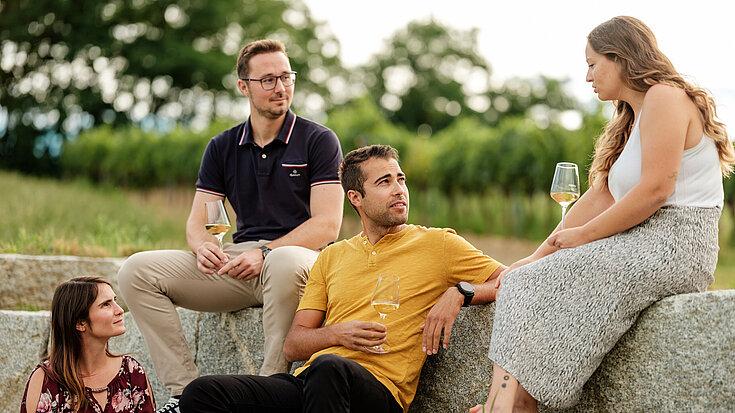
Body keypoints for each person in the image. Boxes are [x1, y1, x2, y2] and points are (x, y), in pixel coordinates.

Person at [470, 16, 735, 413]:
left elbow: (656, 190)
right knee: (524, 280)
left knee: (536, 283)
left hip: (676, 245)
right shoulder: (633, 116)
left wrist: (584, 237)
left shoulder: (665, 95)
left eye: (593, 64)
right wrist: (537, 255)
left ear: (621, 58)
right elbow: (601, 197)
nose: (588, 76)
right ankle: (509, 403)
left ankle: (503, 406)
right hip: (642, 240)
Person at [178, 144, 505, 412]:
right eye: (384, 182)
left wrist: (460, 292)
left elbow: (510, 278)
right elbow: (294, 345)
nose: (399, 190)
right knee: (203, 393)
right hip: (312, 383)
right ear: (355, 199)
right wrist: (338, 334)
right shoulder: (333, 256)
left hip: (379, 392)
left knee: (329, 369)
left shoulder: (439, 244)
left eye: (400, 179)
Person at [117, 39, 344, 413]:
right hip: (240, 264)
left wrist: (265, 251)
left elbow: (327, 226)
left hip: (300, 263)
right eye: (268, 79)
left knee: (285, 261)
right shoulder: (221, 146)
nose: (281, 87)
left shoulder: (318, 140)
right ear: (244, 86)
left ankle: (270, 392)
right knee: (136, 271)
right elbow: (198, 221)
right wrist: (201, 246)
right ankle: (185, 394)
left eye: (286, 77)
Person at [20, 276, 155, 413]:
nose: (120, 310)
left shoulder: (132, 372)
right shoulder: (45, 380)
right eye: (106, 304)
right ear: (80, 323)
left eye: (115, 301)